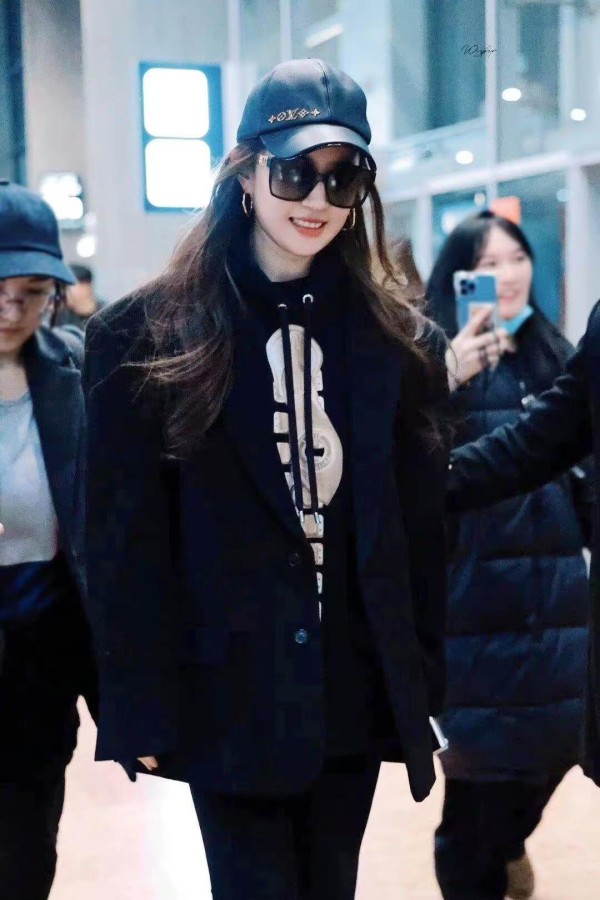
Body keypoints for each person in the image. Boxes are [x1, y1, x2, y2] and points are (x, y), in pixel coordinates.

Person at [84, 58, 450, 899]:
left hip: (351, 687)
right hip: (225, 692)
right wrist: (139, 702)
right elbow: (121, 542)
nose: (316, 199)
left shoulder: (398, 343)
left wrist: (420, 680)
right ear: (245, 174)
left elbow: (420, 529)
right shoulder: (145, 337)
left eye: (342, 177)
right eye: (294, 172)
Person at [427, 210, 591, 900]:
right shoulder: (432, 358)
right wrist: (442, 378)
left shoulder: (557, 352)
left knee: (552, 756)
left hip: (558, 605)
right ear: (459, 278)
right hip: (474, 612)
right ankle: (486, 866)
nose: (507, 276)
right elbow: (401, 463)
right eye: (487, 265)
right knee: (479, 789)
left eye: (516, 258)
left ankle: (507, 848)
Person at [0, 180, 97, 900]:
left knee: (25, 858)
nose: (13, 311)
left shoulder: (73, 371)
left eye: (31, 293)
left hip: (37, 665)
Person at [55, 263, 106, 329]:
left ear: (85, 287)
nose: (62, 291)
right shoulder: (60, 316)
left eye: (66, 286)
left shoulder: (107, 315)